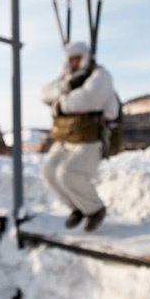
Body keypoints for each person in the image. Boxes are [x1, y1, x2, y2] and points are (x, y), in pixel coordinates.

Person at [40, 41, 120, 232]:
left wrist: (61, 102)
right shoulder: (67, 78)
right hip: (67, 136)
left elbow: (87, 100)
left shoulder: (101, 76)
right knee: (49, 172)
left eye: (77, 58)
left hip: (91, 138)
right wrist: (65, 88)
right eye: (71, 59)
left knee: (68, 173)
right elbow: (45, 93)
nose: (74, 63)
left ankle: (95, 209)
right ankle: (77, 207)